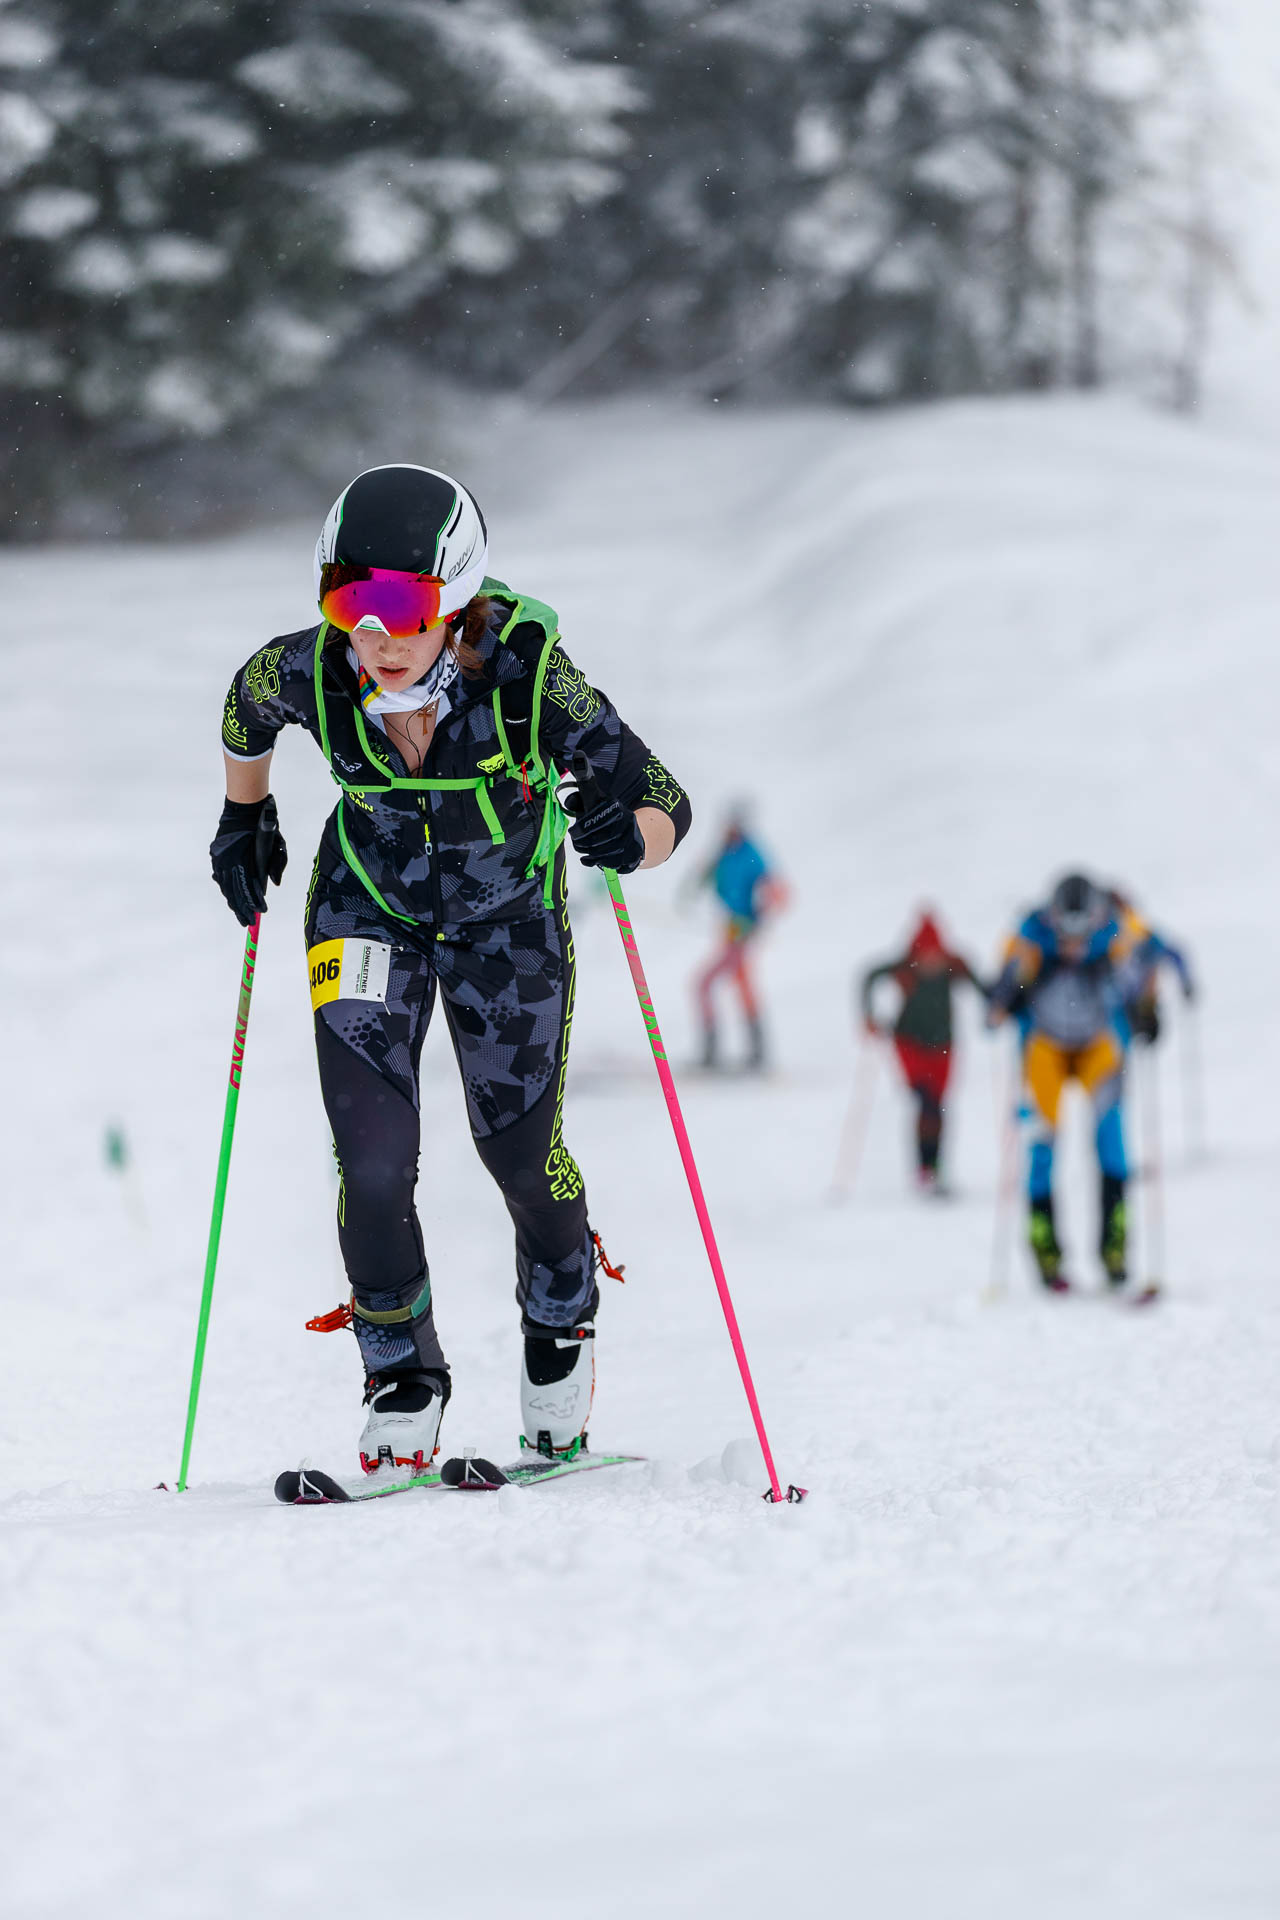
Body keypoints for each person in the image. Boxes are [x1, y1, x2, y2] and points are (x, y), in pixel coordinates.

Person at [211, 464, 691, 1475]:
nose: (376, 636)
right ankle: (401, 1377)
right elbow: (245, 708)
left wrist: (624, 836)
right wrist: (243, 812)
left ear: (457, 597)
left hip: (506, 927)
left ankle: (558, 1329)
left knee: (518, 1156)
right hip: (367, 914)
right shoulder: (311, 671)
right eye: (351, 606)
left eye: (402, 607)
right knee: (373, 1164)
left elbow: (660, 801)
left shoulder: (527, 677)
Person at [986, 872, 1145, 1292]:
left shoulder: (1114, 935)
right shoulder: (1031, 935)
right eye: (1065, 929)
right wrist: (1007, 996)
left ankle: (1115, 1249)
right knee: (1043, 1143)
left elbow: (1136, 982)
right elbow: (1002, 989)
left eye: (1082, 929)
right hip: (1046, 1048)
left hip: (1097, 1045)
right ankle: (1046, 1252)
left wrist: (1146, 1011)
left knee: (1112, 1143)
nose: (1074, 941)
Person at [860, 911, 986, 1190]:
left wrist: (1000, 1008)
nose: (931, 961)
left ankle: (934, 1168)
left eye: (935, 954)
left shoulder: (954, 965)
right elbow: (868, 976)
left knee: (938, 1108)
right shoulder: (904, 966)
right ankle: (925, 1169)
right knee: (926, 1102)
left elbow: (984, 989)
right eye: (926, 954)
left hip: (944, 1048)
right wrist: (868, 1015)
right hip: (909, 1045)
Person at [692, 808, 787, 1072]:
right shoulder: (726, 851)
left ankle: (724, 1053)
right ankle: (755, 1053)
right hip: (731, 929)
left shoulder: (751, 854)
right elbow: (710, 874)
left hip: (742, 932)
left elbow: (775, 891)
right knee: (738, 985)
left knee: (705, 984)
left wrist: (755, 920)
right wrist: (695, 886)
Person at [1107, 888, 1196, 1046]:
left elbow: (1172, 953)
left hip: (1129, 1001)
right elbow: (1174, 954)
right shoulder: (1136, 930)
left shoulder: (1135, 931)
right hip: (1126, 1001)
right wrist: (1185, 981)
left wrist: (1185, 981)